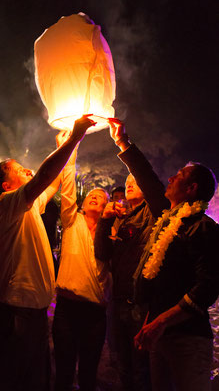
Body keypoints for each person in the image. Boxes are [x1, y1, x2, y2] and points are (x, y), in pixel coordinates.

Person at [106, 119, 219, 391]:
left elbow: (207, 288)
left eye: (178, 175)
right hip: (159, 337)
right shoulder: (167, 221)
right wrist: (123, 143)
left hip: (188, 341)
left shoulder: (205, 228)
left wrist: (160, 323)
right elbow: (148, 179)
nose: (170, 178)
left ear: (191, 189)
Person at [0, 116, 95, 391]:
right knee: (11, 380)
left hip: (34, 313)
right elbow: (45, 175)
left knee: (35, 381)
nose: (29, 172)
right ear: (7, 185)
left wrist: (68, 147)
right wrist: (73, 139)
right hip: (15, 313)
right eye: (21, 171)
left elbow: (53, 182)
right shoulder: (7, 204)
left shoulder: (29, 206)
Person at [94, 120, 169, 391]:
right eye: (125, 181)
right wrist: (104, 221)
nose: (129, 184)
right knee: (121, 367)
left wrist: (125, 145)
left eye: (133, 180)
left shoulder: (155, 214)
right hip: (118, 304)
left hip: (142, 307)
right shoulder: (120, 219)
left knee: (141, 370)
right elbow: (102, 253)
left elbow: (149, 180)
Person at [52, 131, 111, 391]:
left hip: (95, 313)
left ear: (107, 207)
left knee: (89, 373)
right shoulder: (71, 221)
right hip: (66, 308)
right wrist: (70, 147)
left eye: (100, 197)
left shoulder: (110, 232)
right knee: (63, 371)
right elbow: (68, 183)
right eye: (90, 195)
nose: (93, 197)